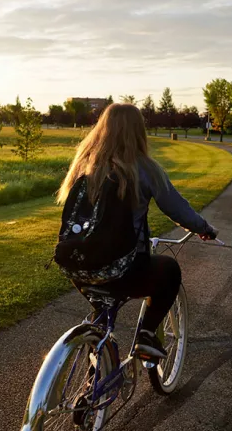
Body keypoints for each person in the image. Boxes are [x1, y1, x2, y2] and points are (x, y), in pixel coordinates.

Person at [56, 104, 217, 359]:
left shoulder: (84, 164)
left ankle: (96, 367)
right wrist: (204, 228)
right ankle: (147, 335)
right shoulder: (144, 168)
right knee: (169, 270)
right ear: (138, 131)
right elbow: (178, 210)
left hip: (79, 265)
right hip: (124, 269)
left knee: (102, 312)